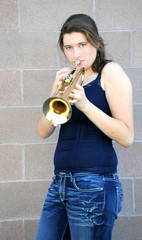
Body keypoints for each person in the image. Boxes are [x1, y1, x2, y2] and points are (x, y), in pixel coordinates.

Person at [36, 14, 134, 240]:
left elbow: (127, 136)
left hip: (94, 185)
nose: (76, 54)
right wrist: (55, 93)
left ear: (96, 43)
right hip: (60, 182)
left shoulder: (111, 72)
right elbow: (43, 131)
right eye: (68, 47)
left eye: (82, 45)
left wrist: (85, 105)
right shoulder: (68, 78)